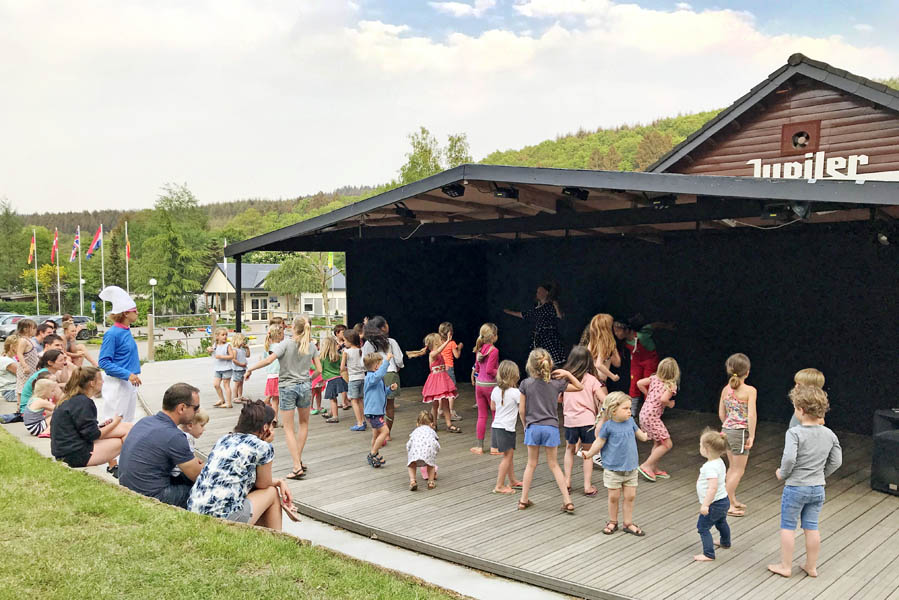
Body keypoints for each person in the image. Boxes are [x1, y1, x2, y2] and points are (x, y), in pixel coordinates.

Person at [768, 385, 842, 578]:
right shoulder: (830, 434)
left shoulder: (794, 433)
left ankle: (785, 566)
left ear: (800, 410)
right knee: (811, 526)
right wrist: (821, 475)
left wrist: (782, 473)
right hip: (817, 488)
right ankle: (811, 566)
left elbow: (790, 458)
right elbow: (837, 461)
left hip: (795, 488)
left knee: (788, 526)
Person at [189, 400, 297, 529]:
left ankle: (261, 539)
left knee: (258, 492)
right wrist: (279, 482)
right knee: (271, 492)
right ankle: (277, 541)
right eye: (272, 424)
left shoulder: (224, 439)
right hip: (222, 518)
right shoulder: (262, 447)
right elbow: (263, 484)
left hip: (195, 510)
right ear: (265, 428)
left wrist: (279, 481)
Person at [245, 315, 321, 480]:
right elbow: (319, 370)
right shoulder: (311, 346)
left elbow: (269, 360)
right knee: (303, 424)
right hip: (305, 387)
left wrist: (251, 369)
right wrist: (308, 378)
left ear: (293, 327)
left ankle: (296, 466)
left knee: (288, 428)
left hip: (287, 387)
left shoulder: (285, 344)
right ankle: (298, 460)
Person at [517, 348, 583, 513]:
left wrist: (525, 425)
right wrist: (567, 374)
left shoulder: (525, 384)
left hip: (533, 427)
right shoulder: (556, 383)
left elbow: (522, 410)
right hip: (551, 428)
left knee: (531, 464)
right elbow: (579, 387)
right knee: (554, 465)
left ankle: (523, 500)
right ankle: (567, 501)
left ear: (530, 365)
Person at [118, 383, 204, 508]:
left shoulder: (145, 421)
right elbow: (198, 476)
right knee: (204, 491)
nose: (198, 412)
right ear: (182, 408)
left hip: (128, 488)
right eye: (196, 408)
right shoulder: (174, 436)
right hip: (150, 496)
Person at [578, 392, 649, 535]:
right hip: (613, 469)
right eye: (626, 408)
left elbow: (640, 435)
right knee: (613, 497)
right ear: (613, 410)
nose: (630, 411)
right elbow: (599, 442)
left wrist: (645, 436)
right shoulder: (608, 426)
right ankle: (613, 521)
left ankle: (628, 523)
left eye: (630, 408)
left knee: (630, 497)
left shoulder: (630, 422)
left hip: (631, 468)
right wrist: (590, 453)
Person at [51, 366, 132, 469]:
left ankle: (121, 468)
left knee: (127, 427)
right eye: (100, 379)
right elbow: (93, 435)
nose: (103, 382)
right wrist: (115, 422)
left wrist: (104, 426)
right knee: (125, 439)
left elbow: (84, 430)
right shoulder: (84, 402)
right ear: (92, 383)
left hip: (65, 450)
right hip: (75, 455)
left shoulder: (70, 399)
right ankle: (130, 470)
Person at [560, 345, 603, 497]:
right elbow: (603, 399)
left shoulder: (565, 379)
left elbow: (558, 398)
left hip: (570, 420)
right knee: (588, 452)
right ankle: (587, 486)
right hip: (587, 421)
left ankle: (567, 481)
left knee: (569, 450)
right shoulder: (592, 380)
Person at [718, 353, 757, 517]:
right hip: (740, 432)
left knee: (732, 468)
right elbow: (752, 415)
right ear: (747, 372)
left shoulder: (726, 389)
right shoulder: (750, 390)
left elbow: (721, 413)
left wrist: (728, 424)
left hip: (726, 430)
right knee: (738, 470)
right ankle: (724, 503)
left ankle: (731, 499)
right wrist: (752, 435)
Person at [613, 315, 675, 413]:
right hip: (636, 362)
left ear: (626, 329)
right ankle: (632, 412)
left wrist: (667, 326)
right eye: (614, 331)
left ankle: (651, 410)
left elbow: (655, 325)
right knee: (634, 385)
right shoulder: (624, 342)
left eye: (618, 330)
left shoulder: (642, 334)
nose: (616, 333)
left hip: (650, 361)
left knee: (649, 385)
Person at [98, 286, 141, 424]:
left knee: (127, 423)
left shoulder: (126, 331)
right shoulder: (112, 334)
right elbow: (104, 362)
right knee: (114, 423)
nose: (138, 313)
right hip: (117, 384)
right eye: (135, 311)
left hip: (129, 382)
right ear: (126, 313)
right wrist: (127, 374)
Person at [636, 357, 680, 482]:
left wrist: (647, 393)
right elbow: (663, 399)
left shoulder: (654, 378)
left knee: (658, 442)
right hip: (652, 417)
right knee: (667, 444)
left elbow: (639, 383)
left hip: (644, 414)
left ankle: (654, 468)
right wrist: (670, 404)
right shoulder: (671, 385)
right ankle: (646, 465)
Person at [407, 332, 460, 434]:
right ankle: (434, 423)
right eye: (440, 339)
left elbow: (441, 354)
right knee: (435, 404)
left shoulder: (439, 353)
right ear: (435, 343)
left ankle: (449, 424)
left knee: (445, 404)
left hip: (443, 379)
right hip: (436, 381)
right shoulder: (432, 354)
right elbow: (439, 351)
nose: (442, 341)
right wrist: (448, 341)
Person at [362, 316, 404, 440]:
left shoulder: (368, 343)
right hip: (391, 373)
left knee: (377, 404)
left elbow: (363, 361)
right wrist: (398, 367)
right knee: (390, 406)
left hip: (374, 374)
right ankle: (387, 433)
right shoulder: (391, 342)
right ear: (383, 327)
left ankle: (378, 431)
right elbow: (399, 360)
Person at [504, 282, 566, 366]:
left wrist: (556, 305)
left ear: (546, 292)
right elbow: (524, 314)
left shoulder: (551, 305)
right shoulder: (537, 308)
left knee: (552, 361)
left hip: (549, 338)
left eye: (540, 291)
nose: (538, 294)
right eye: (537, 292)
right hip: (538, 339)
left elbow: (560, 316)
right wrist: (508, 312)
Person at [694, 428, 731, 561]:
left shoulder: (709, 467)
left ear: (706, 449)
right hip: (724, 500)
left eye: (700, 445)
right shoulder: (719, 462)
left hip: (714, 503)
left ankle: (708, 554)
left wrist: (705, 505)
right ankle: (725, 542)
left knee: (702, 527)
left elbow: (712, 487)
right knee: (721, 522)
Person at [490, 360, 523, 494]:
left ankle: (513, 480)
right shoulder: (516, 392)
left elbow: (492, 407)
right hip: (507, 428)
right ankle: (499, 485)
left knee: (508, 454)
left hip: (496, 426)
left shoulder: (495, 390)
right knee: (507, 457)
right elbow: (523, 408)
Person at [467, 323, 499, 454]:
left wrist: (474, 377)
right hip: (491, 386)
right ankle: (494, 447)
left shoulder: (479, 350)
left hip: (479, 385)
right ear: (494, 337)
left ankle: (479, 446)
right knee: (495, 416)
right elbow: (491, 370)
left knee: (481, 416)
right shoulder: (494, 351)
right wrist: (502, 373)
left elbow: (478, 368)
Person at [363, 351, 397, 468]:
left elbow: (381, 392)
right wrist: (387, 361)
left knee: (376, 435)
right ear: (376, 366)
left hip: (376, 412)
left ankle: (375, 453)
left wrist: (389, 389)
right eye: (381, 364)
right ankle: (372, 454)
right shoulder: (370, 378)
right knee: (385, 432)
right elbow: (379, 375)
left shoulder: (376, 380)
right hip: (373, 413)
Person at [580, 313, 621, 403]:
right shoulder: (604, 344)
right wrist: (613, 376)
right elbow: (598, 364)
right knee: (604, 409)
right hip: (599, 381)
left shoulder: (592, 342)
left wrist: (613, 349)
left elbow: (616, 363)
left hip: (588, 379)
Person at [19, 349, 67, 415]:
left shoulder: (48, 372)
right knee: (55, 386)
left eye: (64, 360)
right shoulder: (45, 375)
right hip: (29, 409)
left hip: (32, 407)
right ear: (50, 362)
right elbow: (59, 394)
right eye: (61, 360)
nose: (64, 362)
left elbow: (65, 380)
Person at [171, 408, 209, 481]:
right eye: (202, 425)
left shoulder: (177, 431)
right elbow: (192, 462)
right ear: (190, 426)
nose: (204, 429)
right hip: (179, 475)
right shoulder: (187, 438)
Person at [406, 410, 440, 491]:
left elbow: (409, 443)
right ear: (432, 424)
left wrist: (408, 450)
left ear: (417, 424)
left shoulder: (415, 432)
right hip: (428, 450)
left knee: (412, 464)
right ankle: (431, 482)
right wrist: (436, 450)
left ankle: (412, 481)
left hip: (415, 450)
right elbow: (435, 443)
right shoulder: (431, 431)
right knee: (431, 465)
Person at [340, 328, 366, 431]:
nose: (344, 343)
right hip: (362, 377)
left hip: (353, 379)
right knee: (360, 400)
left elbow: (342, 368)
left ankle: (359, 423)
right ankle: (363, 420)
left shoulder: (346, 352)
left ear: (349, 340)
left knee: (354, 401)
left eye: (345, 341)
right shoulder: (361, 350)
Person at [319, 335, 347, 423]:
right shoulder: (338, 356)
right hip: (339, 378)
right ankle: (331, 412)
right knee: (334, 398)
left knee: (332, 398)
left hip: (331, 380)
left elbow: (319, 369)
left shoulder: (322, 358)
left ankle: (335, 416)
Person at [438, 322, 463, 421]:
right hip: (449, 368)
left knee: (441, 391)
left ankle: (440, 411)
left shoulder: (438, 342)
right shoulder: (452, 343)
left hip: (440, 368)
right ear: (450, 333)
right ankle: (451, 412)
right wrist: (459, 348)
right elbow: (456, 356)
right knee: (451, 392)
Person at [15, 319, 40, 408]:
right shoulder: (23, 340)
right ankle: (20, 407)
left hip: (32, 368)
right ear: (26, 329)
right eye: (33, 328)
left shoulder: (29, 340)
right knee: (23, 387)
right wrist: (25, 366)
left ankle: (28, 406)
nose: (35, 330)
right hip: (26, 369)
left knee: (30, 386)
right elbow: (19, 353)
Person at [209, 327, 235, 409]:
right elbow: (213, 353)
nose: (225, 336)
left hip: (226, 368)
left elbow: (232, 356)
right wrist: (209, 350)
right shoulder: (215, 345)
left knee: (226, 385)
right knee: (216, 384)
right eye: (223, 335)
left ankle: (229, 403)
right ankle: (221, 399)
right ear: (217, 337)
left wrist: (222, 356)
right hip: (218, 368)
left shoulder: (228, 346)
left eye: (226, 335)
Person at [263, 325, 283, 425]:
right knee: (277, 399)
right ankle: (274, 416)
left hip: (270, 375)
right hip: (279, 375)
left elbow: (264, 360)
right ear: (279, 335)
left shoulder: (267, 347)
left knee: (274, 398)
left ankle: (274, 418)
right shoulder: (280, 347)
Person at [230, 333, 250, 402]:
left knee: (241, 383)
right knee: (237, 383)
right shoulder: (234, 350)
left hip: (243, 369)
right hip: (237, 369)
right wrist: (241, 364)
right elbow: (234, 360)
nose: (244, 342)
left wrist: (247, 348)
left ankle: (240, 396)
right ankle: (235, 397)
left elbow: (248, 355)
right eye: (243, 340)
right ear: (238, 340)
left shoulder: (243, 349)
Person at [0, 336, 19, 404]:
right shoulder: (7, 361)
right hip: (11, 392)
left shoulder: (10, 358)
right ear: (12, 347)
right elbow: (22, 374)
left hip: (13, 390)